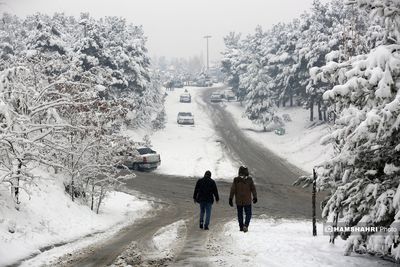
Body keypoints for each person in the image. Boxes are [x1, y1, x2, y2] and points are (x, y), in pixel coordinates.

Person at [229, 166, 257, 232]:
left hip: (239, 201)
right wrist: (255, 197)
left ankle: (241, 227)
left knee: (240, 214)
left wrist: (230, 198)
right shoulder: (249, 180)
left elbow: (232, 189)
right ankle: (246, 225)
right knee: (248, 214)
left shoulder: (236, 180)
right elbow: (253, 189)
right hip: (247, 201)